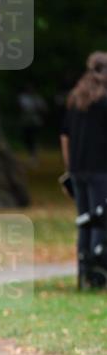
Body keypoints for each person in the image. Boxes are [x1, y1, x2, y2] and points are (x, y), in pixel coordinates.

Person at [60, 51, 107, 289]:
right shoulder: (104, 101)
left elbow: (65, 136)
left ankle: (83, 271)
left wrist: (70, 167)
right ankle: (97, 272)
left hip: (78, 170)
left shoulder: (76, 99)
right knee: (100, 220)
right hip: (100, 170)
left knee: (83, 220)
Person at [17, 82, 47, 160]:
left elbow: (43, 109)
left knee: (34, 138)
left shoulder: (37, 98)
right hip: (26, 121)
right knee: (27, 139)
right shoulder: (23, 98)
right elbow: (22, 107)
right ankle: (31, 154)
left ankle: (35, 154)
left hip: (36, 121)